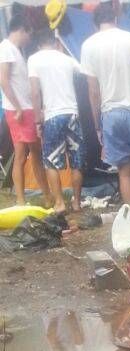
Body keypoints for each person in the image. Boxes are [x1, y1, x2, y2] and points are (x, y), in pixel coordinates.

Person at [80, 0, 130, 216]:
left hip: (111, 115)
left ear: (96, 23)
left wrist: (98, 124)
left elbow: (93, 90)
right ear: (115, 17)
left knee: (124, 173)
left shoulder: (88, 46)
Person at [28, 12, 86, 214]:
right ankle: (77, 202)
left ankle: (60, 203)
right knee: (76, 160)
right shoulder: (66, 59)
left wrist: (37, 119)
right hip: (72, 114)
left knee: (51, 161)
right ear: (55, 42)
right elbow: (82, 73)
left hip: (52, 116)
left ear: (38, 44)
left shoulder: (34, 60)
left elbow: (35, 91)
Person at [0, 14, 52, 208]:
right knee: (31, 153)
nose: (29, 39)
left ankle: (29, 198)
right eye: (28, 35)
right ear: (21, 30)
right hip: (20, 110)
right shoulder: (6, 48)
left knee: (26, 154)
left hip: (23, 109)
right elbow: (3, 80)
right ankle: (38, 197)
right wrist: (19, 107)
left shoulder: (14, 50)